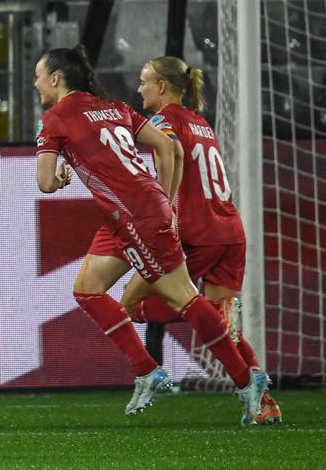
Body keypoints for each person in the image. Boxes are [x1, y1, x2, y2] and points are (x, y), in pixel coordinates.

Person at [34, 45, 268, 425]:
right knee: (88, 289)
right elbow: (166, 147)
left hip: (135, 215)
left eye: (39, 75)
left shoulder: (56, 117)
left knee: (186, 300)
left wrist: (59, 174)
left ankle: (246, 382)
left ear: (56, 79)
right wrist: (168, 201)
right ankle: (146, 369)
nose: (36, 83)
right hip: (132, 211)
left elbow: (45, 182)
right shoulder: (115, 107)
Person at [116, 56, 282, 424]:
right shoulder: (200, 122)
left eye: (144, 81)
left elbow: (168, 150)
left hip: (197, 233)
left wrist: (161, 204)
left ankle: (216, 317)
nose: (139, 88)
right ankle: (264, 402)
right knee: (222, 325)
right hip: (230, 231)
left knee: (126, 306)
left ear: (162, 87)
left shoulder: (165, 120)